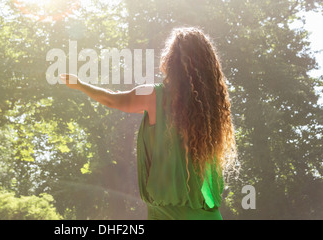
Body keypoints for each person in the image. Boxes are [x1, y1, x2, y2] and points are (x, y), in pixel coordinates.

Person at [59, 27, 237, 220]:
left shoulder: (153, 95)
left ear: (170, 61)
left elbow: (113, 100)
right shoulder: (210, 110)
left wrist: (79, 84)